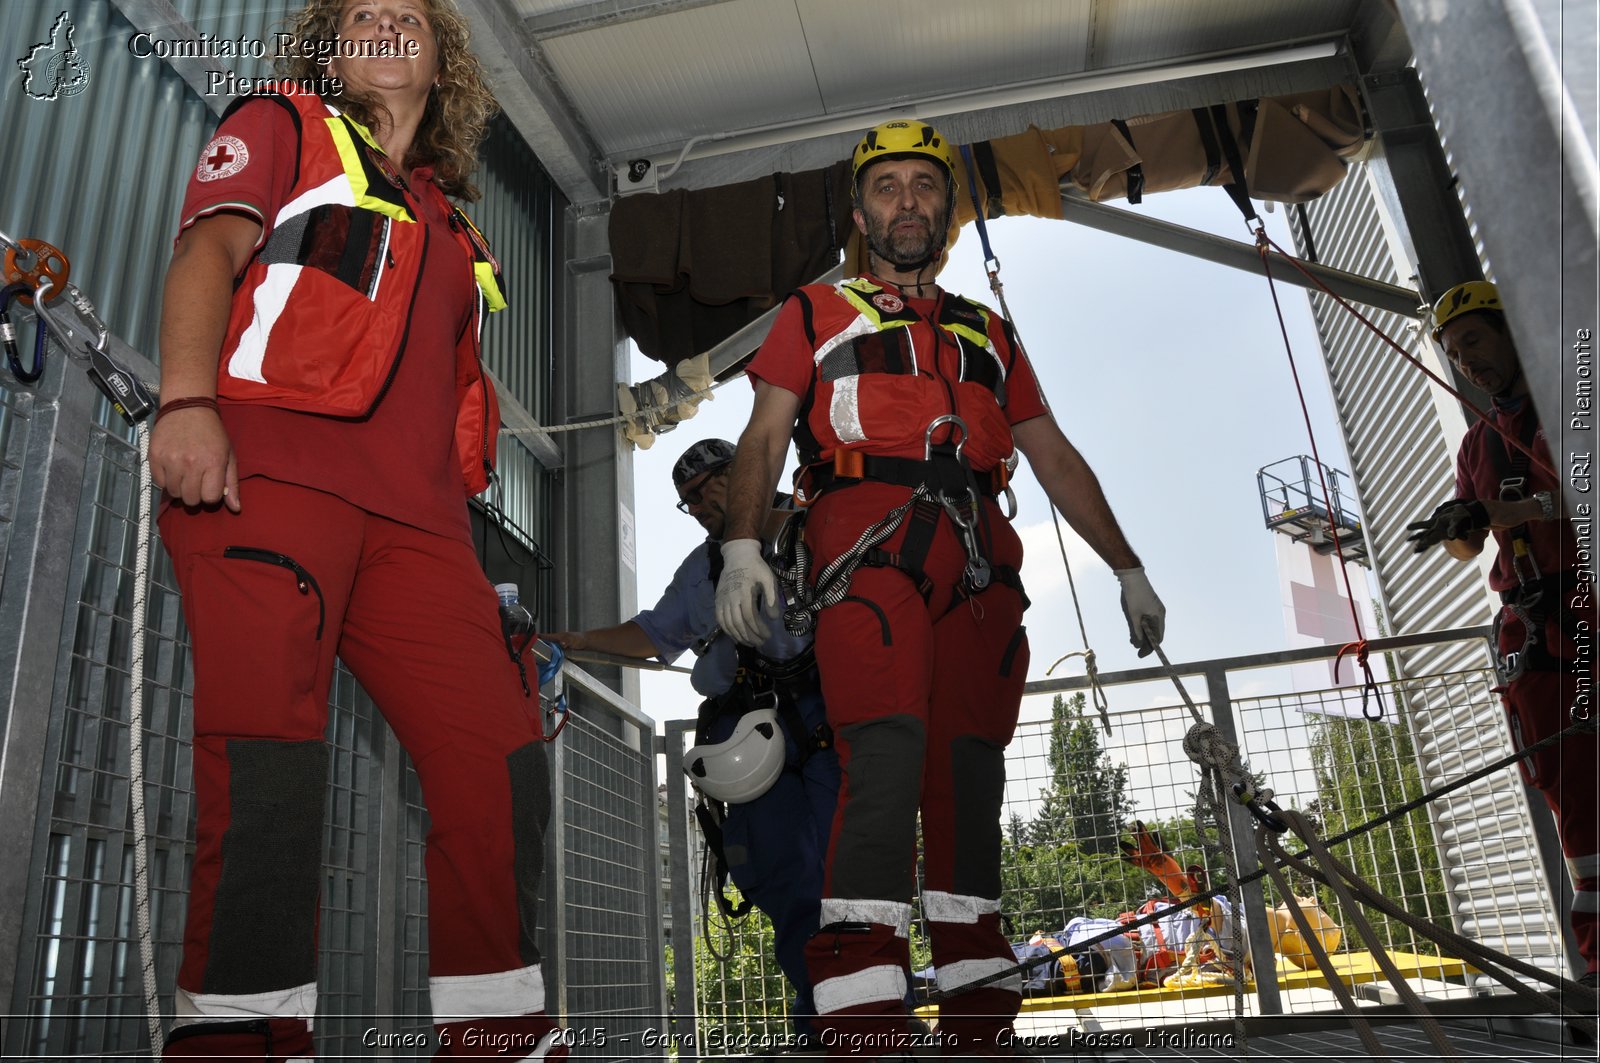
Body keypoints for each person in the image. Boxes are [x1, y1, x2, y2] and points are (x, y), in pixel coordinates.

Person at [147, 2, 565, 1058]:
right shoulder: (285, 127)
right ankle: (243, 1038)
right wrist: (186, 403)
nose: (384, 23)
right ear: (329, 54)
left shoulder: (452, 217)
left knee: (500, 756)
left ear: (441, 58)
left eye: (407, 14)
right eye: (360, 14)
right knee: (268, 764)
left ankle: (494, 1030)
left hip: (422, 530)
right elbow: (206, 255)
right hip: (270, 480)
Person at [712, 120, 1166, 1059]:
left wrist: (1127, 564)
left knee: (969, 783)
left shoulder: (989, 332)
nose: (907, 202)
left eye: (925, 185)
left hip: (981, 574)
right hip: (867, 556)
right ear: (861, 209)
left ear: (948, 211)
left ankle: (978, 1021)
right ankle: (864, 1023)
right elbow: (762, 440)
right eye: (888, 188)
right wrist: (742, 547)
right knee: (881, 763)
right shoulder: (816, 313)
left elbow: (1053, 456)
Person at [546, 438, 841, 1045]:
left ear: (747, 472)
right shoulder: (703, 570)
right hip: (758, 736)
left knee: (854, 881)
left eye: (710, 489)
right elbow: (653, 633)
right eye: (690, 502)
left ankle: (867, 1017)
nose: (702, 507)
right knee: (790, 881)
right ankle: (826, 1024)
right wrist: (577, 640)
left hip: (834, 719)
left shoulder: (820, 522)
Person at [1406, 280, 1598, 988]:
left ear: (1511, 329)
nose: (1468, 363)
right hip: (1535, 638)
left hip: (1586, 618)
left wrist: (1496, 509)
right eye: (1455, 354)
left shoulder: (1571, 407)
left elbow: (1571, 496)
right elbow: (1474, 535)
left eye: (1475, 343)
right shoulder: (1480, 442)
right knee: (1573, 807)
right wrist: (1461, 527)